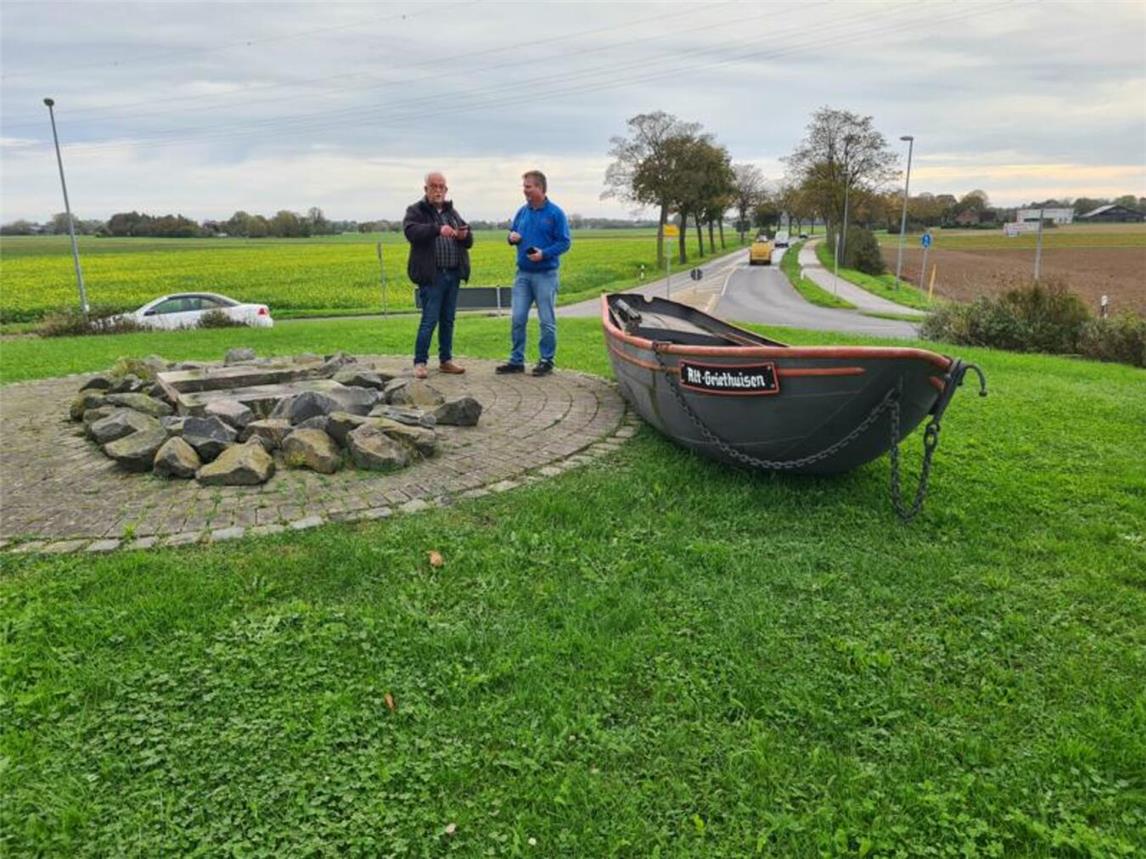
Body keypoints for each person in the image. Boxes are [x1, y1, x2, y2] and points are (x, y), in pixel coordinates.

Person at [496, 170, 571, 377]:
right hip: (523, 274)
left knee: (546, 320)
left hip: (546, 275)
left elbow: (565, 242)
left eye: (528, 186)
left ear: (539, 187)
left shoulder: (555, 213)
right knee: (518, 318)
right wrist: (511, 238)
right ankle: (516, 361)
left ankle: (546, 360)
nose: (525, 190)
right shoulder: (522, 212)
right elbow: (513, 234)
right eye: (524, 186)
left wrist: (544, 254)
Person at [403, 171, 473, 379]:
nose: (438, 190)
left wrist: (464, 235)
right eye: (434, 186)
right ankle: (420, 362)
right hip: (432, 277)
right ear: (426, 189)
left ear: (446, 189)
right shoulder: (416, 211)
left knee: (448, 320)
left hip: (453, 274)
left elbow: (469, 241)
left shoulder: (452, 213)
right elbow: (411, 232)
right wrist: (437, 229)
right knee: (429, 319)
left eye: (441, 186)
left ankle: (446, 360)